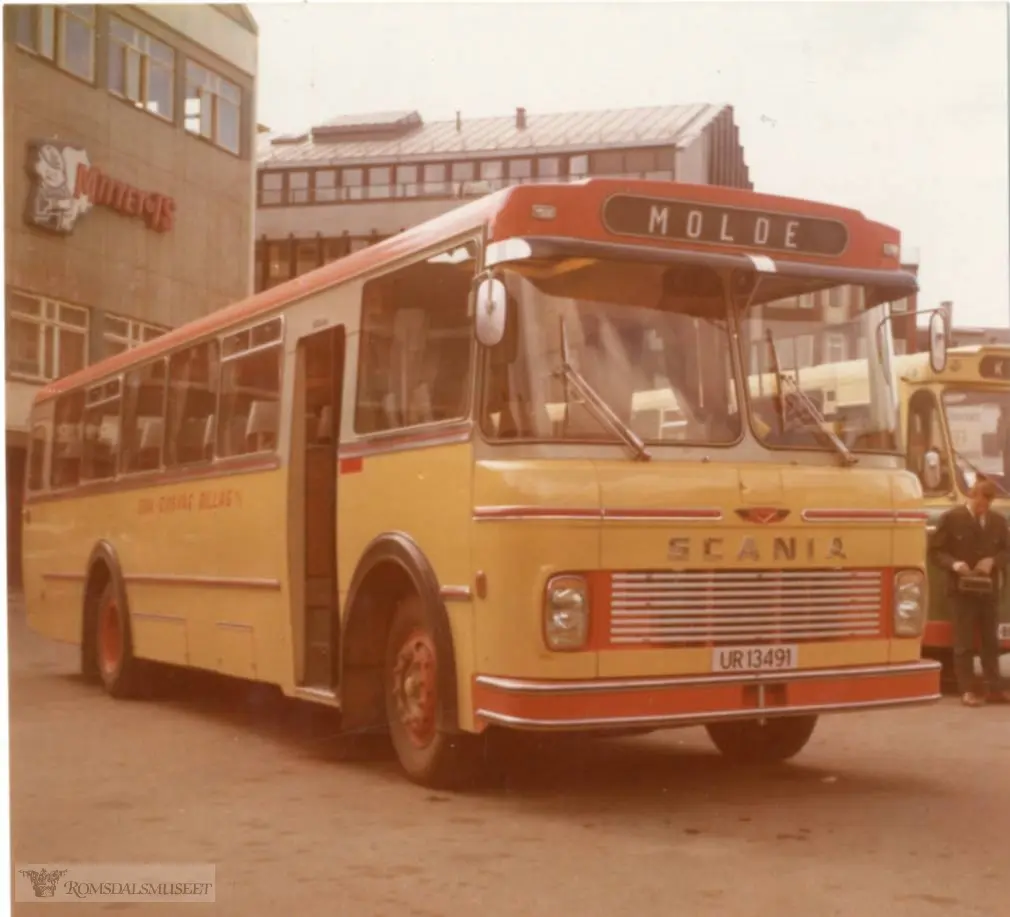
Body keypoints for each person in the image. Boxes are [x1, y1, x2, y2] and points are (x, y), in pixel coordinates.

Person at [928, 478, 1010, 706]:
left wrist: (992, 561)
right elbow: (936, 552)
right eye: (980, 503)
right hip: (960, 590)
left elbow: (1006, 551)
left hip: (988, 590)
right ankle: (968, 690)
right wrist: (956, 565)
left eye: (987, 504)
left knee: (990, 641)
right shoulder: (951, 519)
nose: (983, 509)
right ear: (972, 496)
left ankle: (995, 688)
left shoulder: (998, 521)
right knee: (963, 642)